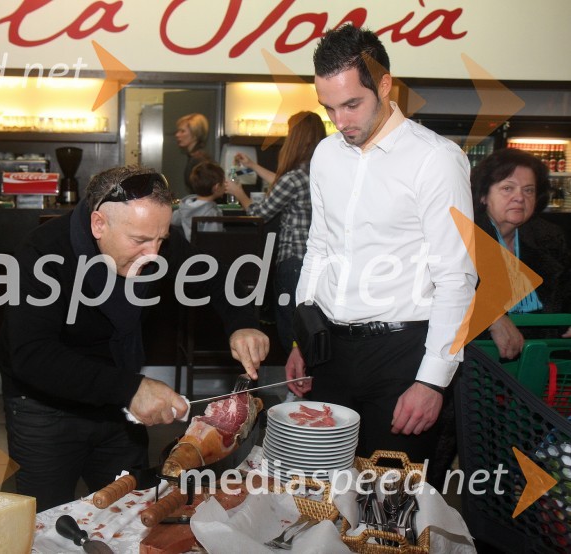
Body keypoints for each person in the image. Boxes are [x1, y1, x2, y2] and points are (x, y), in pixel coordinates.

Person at [0, 165, 270, 511]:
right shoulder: (43, 254)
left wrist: (243, 322)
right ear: (99, 224)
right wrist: (130, 388)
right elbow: (31, 355)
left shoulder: (153, 242)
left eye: (161, 240)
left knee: (130, 513)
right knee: (46, 521)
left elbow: (218, 277)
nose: (153, 255)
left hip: (118, 405)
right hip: (46, 409)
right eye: (140, 241)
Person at [286, 24, 477, 469]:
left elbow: (457, 277)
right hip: (329, 351)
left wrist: (432, 381)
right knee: (320, 495)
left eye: (352, 104)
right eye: (329, 108)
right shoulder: (325, 154)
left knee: (390, 511)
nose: (341, 121)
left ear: (385, 85)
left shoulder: (437, 160)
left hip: (402, 355)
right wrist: (303, 337)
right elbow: (319, 248)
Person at [225, 112, 327, 351]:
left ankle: (294, 386)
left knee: (290, 327)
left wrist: (239, 194)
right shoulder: (319, 174)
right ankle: (309, 383)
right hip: (319, 262)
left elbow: (260, 213)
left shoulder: (293, 178)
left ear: (296, 139)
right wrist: (252, 166)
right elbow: (282, 183)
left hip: (293, 262)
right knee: (312, 325)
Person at [472, 147, 571, 356]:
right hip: (480, 361)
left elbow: (567, 287)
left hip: (542, 358)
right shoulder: (462, 236)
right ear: (483, 196)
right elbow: (440, 293)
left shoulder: (549, 236)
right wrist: (492, 318)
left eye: (528, 190)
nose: (519, 197)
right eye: (508, 188)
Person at [171, 160, 226, 241]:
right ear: (216, 187)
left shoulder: (185, 207)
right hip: (204, 253)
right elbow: (215, 241)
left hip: (189, 251)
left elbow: (173, 220)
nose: (225, 186)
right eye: (224, 182)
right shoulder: (212, 213)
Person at [175, 113, 213, 194]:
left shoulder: (199, 160)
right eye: (178, 131)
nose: (177, 135)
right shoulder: (195, 157)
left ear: (195, 134)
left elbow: (204, 192)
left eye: (182, 131)